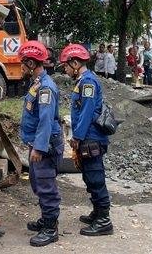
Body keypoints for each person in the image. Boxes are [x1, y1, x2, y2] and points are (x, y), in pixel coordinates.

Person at [59, 44, 114, 236]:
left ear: (75, 63)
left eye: (65, 66)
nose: (64, 70)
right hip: (88, 136)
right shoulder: (82, 81)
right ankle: (97, 212)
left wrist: (77, 136)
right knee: (89, 176)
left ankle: (104, 220)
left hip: (91, 137)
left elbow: (87, 112)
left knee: (95, 177)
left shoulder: (88, 82)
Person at [16, 41, 63, 247]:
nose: (21, 66)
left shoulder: (46, 87)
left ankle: (51, 229)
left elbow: (46, 119)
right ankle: (47, 219)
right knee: (37, 181)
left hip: (44, 144)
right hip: (36, 141)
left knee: (45, 185)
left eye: (23, 63)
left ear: (31, 62)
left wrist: (39, 147)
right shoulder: (37, 83)